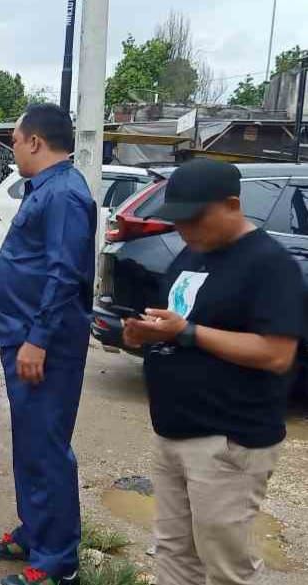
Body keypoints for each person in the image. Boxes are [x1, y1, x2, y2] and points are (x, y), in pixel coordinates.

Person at [122, 159, 304, 585]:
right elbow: (179, 318)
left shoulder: (269, 264)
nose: (184, 229)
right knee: (173, 553)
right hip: (173, 431)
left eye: (194, 219)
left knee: (226, 567)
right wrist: (146, 334)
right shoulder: (193, 253)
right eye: (178, 220)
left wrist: (186, 333)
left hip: (227, 439)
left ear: (232, 205)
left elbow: (277, 353)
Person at [0, 104, 96, 585]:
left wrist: (38, 339)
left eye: (14, 139)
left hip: (44, 345)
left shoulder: (65, 193)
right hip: (25, 335)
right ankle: (36, 533)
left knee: (47, 448)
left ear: (34, 141)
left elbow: (65, 272)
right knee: (30, 444)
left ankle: (57, 563)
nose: (13, 148)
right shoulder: (46, 188)